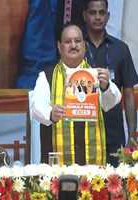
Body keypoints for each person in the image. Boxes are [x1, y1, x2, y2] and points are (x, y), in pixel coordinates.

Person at [31, 24, 121, 165]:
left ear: (84, 46)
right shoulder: (47, 76)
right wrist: (50, 113)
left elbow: (110, 103)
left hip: (93, 165)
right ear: (59, 47)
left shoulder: (96, 74)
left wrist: (106, 86)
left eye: (78, 41)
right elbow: (36, 106)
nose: (73, 45)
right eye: (68, 42)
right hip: (57, 163)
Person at [83, 0, 138, 166]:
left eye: (101, 13)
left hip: (113, 132)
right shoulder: (76, 48)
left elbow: (129, 93)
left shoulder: (121, 49)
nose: (97, 17)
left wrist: (132, 135)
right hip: (84, 133)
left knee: (114, 186)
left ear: (108, 16)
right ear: (85, 15)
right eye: (93, 13)